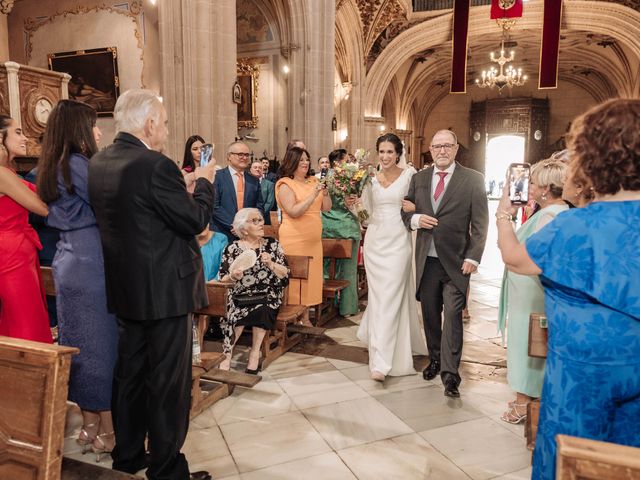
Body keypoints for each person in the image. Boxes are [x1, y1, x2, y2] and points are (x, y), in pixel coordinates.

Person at [496, 98, 640, 480]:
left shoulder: (571, 227)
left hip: (578, 387)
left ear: (592, 157)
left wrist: (502, 218)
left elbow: (514, 259)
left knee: (570, 465)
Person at [87, 89, 215, 480]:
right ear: (148, 124)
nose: (166, 128)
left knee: (129, 376)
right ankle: (167, 468)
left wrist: (181, 190)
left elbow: (142, 212)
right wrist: (205, 184)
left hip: (127, 289)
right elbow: (194, 221)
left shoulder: (100, 161)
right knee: (167, 384)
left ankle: (127, 457)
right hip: (165, 292)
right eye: (163, 122)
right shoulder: (154, 165)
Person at [35, 100, 119, 459]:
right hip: (91, 261)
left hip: (66, 259)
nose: (99, 131)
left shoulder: (51, 163)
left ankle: (88, 425)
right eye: (94, 125)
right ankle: (111, 430)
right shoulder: (79, 165)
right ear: (78, 130)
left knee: (78, 342)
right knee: (101, 344)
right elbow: (110, 205)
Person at [401, 129, 488, 398]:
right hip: (426, 260)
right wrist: (416, 220)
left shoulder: (473, 179)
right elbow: (405, 211)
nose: (442, 151)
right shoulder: (419, 178)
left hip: (457, 262)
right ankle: (435, 360)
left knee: (452, 316)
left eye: (447, 146)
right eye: (437, 146)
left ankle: (451, 375)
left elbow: (481, 223)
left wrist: (473, 257)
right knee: (429, 316)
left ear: (455, 149)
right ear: (430, 148)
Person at [497, 158, 569, 424]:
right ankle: (528, 398)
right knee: (531, 343)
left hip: (531, 294)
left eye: (534, 183)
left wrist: (504, 215)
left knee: (525, 345)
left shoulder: (550, 216)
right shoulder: (553, 212)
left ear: (546, 189)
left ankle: (523, 403)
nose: (528, 188)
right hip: (531, 292)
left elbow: (524, 256)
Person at [357, 133, 428, 381]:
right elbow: (365, 214)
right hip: (375, 240)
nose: (385, 157)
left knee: (391, 297)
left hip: (399, 241)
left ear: (398, 153)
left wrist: (414, 208)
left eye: (390, 152)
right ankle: (380, 352)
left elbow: (423, 205)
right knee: (378, 299)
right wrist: (353, 204)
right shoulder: (370, 178)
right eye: (382, 152)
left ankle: (382, 361)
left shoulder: (411, 175)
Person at [217, 208, 289, 372]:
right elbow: (223, 278)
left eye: (260, 220)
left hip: (268, 293)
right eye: (254, 221)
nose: (260, 224)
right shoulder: (232, 248)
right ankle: (227, 354)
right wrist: (234, 276)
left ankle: (255, 353)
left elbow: (285, 273)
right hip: (239, 294)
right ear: (243, 228)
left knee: (262, 307)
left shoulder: (272, 245)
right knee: (234, 311)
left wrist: (271, 264)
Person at [0, 115, 52, 343]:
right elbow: (42, 207)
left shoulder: (7, 172)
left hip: (19, 251)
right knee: (24, 322)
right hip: (11, 254)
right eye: (18, 132)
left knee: (22, 318)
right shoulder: (1, 175)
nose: (25, 137)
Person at [275, 146, 331, 309]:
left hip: (313, 240)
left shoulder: (314, 180)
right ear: (292, 162)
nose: (305, 163)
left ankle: (306, 314)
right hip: (295, 238)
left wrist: (325, 194)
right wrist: (313, 194)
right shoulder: (285, 184)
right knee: (296, 278)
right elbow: (293, 212)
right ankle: (296, 315)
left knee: (312, 278)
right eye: (301, 160)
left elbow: (326, 208)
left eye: (307, 159)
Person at [321, 149, 361, 317]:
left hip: (327, 226)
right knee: (348, 269)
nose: (350, 163)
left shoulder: (324, 178)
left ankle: (325, 305)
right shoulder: (349, 178)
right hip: (346, 227)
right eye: (347, 160)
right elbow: (353, 203)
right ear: (340, 162)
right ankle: (347, 307)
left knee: (326, 268)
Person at [211, 141, 264, 242]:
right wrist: (235, 225)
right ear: (229, 156)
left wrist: (249, 225)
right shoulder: (217, 177)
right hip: (222, 233)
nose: (244, 157)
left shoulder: (254, 180)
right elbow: (214, 206)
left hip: (248, 234)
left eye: (246, 155)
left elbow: (259, 207)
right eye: (240, 154)